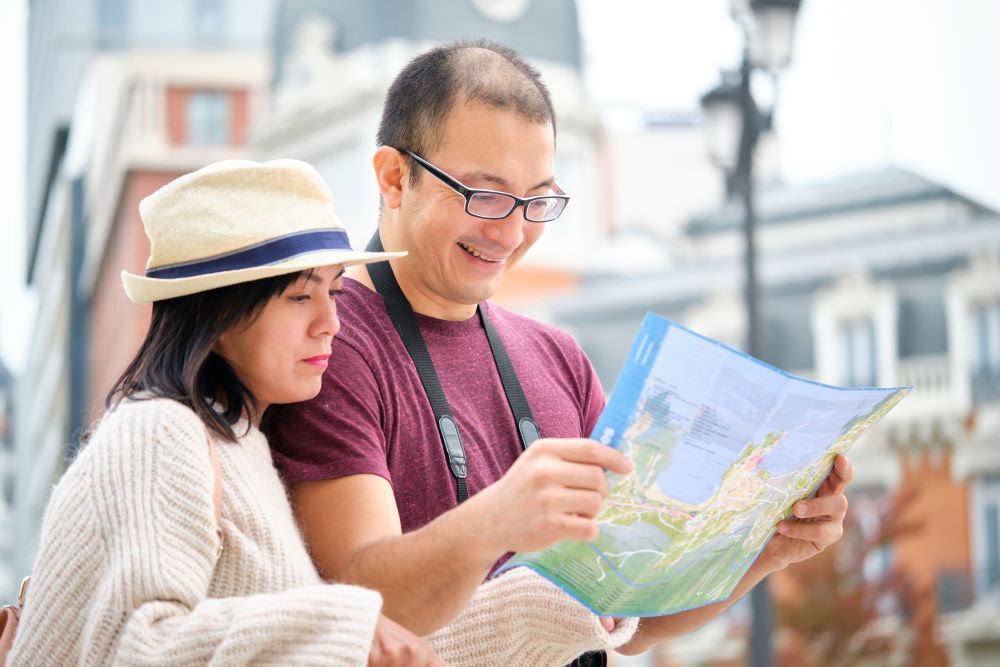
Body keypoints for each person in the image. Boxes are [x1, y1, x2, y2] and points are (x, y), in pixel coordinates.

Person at [265, 40, 852, 661]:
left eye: (538, 200)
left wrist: (760, 552)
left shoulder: (557, 356)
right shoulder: (329, 344)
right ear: (393, 177)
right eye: (484, 195)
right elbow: (361, 605)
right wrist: (498, 519)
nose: (512, 232)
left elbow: (627, 617)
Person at [8, 159, 637, 666]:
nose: (330, 322)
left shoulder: (244, 444)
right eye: (299, 295)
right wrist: (344, 626)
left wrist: (544, 603)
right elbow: (134, 646)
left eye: (335, 291)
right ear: (217, 314)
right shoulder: (158, 430)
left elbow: (321, 647)